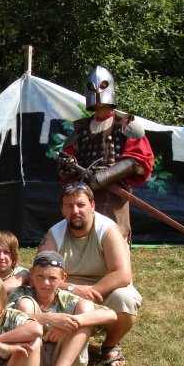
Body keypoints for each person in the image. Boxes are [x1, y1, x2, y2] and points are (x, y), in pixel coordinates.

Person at [38, 182, 141, 366]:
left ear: (92, 205)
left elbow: (123, 274)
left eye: (80, 205)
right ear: (62, 210)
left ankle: (110, 344)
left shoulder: (108, 230)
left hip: (103, 290)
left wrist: (91, 293)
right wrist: (73, 289)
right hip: (67, 291)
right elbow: (39, 274)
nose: (75, 210)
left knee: (126, 299)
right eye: (69, 206)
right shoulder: (54, 235)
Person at [9, 251, 117, 366]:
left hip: (63, 360)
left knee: (86, 309)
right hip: (28, 360)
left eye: (52, 278)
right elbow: (5, 316)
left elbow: (112, 315)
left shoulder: (66, 297)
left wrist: (71, 323)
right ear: (31, 273)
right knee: (25, 307)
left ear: (63, 278)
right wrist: (50, 318)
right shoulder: (22, 293)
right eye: (40, 276)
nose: (45, 283)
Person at [58, 65, 154, 243]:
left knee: (115, 240)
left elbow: (138, 160)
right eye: (93, 88)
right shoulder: (81, 128)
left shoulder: (126, 124)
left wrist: (105, 176)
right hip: (84, 196)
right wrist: (67, 166)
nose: (97, 92)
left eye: (102, 86)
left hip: (114, 197)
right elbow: (66, 161)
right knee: (85, 242)